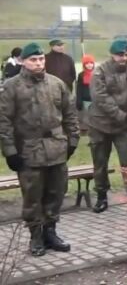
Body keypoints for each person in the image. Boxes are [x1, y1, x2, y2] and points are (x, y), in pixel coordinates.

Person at [0, 42, 79, 256]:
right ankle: (35, 237)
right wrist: (10, 151)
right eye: (33, 60)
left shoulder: (56, 84)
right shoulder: (11, 86)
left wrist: (72, 141)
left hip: (56, 148)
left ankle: (50, 233)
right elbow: (4, 121)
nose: (38, 63)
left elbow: (70, 114)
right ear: (24, 61)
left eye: (41, 59)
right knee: (33, 196)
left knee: (56, 193)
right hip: (28, 151)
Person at [88, 39, 127, 217]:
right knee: (100, 163)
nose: (123, 58)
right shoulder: (100, 73)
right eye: (119, 55)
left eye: (125, 54)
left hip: (124, 128)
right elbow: (100, 98)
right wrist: (123, 116)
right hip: (100, 124)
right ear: (112, 55)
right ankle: (101, 196)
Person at [75, 54, 95, 134]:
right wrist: (79, 99)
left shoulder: (97, 74)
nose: (89, 65)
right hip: (85, 100)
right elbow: (79, 88)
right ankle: (85, 130)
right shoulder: (81, 75)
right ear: (84, 65)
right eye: (87, 63)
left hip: (95, 100)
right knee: (86, 117)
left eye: (91, 63)